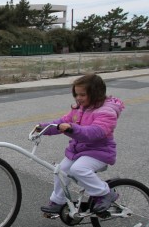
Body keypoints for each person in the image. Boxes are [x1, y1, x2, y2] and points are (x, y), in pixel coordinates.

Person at [37, 74, 125, 214]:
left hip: (99, 152)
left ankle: (105, 193)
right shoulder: (79, 109)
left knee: (78, 169)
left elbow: (95, 132)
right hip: (79, 151)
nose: (78, 98)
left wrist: (72, 129)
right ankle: (58, 202)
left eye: (82, 95)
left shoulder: (107, 111)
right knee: (61, 171)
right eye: (76, 94)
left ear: (96, 93)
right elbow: (62, 122)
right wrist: (43, 128)